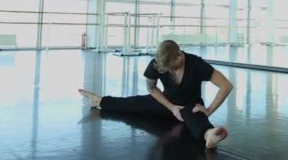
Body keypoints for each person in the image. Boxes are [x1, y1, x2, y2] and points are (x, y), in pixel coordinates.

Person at [79, 40, 234, 148]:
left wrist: (208, 110)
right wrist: (171, 107)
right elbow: (152, 88)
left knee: (195, 116)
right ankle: (99, 101)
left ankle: (209, 135)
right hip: (165, 102)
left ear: (179, 55)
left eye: (172, 67)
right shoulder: (158, 63)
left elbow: (226, 85)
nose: (170, 70)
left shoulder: (196, 63)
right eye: (167, 68)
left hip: (189, 105)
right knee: (134, 103)